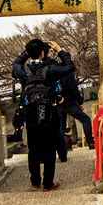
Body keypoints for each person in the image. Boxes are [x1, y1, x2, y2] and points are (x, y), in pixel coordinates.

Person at [12, 38, 76, 192]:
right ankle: (48, 183)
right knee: (49, 146)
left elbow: (16, 64)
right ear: (42, 52)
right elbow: (69, 67)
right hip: (48, 110)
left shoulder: (23, 71)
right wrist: (60, 50)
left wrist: (26, 52)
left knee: (33, 147)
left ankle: (35, 181)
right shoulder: (50, 69)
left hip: (31, 112)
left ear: (28, 53)